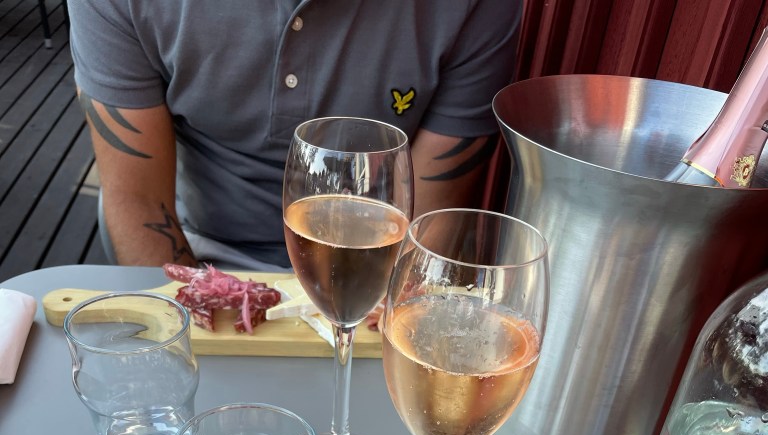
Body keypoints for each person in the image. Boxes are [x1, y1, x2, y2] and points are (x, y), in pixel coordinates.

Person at [68, 1, 523, 270]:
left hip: (371, 270)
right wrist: (198, 306)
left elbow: (428, 222)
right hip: (195, 245)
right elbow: (138, 199)